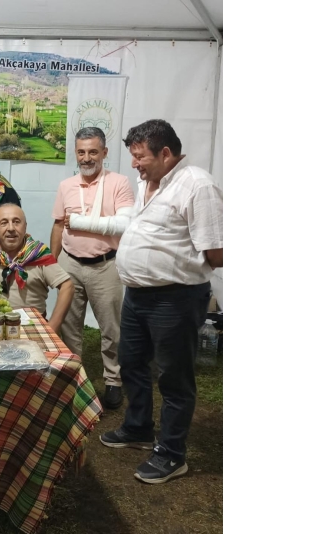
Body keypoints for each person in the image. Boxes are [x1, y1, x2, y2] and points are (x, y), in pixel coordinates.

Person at [99, 119, 222, 485]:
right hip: (138, 295)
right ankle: (138, 428)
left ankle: (172, 453)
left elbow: (216, 251)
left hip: (175, 298)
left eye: (140, 157)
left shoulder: (197, 185)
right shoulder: (148, 181)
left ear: (165, 153)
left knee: (173, 376)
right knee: (131, 362)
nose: (134, 164)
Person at [50, 127, 135, 411]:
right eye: (81, 152)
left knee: (111, 327)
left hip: (105, 265)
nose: (87, 158)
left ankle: (113, 380)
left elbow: (125, 224)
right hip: (70, 263)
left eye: (93, 152)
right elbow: (60, 224)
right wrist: (52, 263)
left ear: (104, 153)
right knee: (69, 326)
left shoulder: (119, 183)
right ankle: (76, 378)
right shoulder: (65, 186)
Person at [0, 203, 73, 333]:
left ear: (25, 227)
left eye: (16, 222)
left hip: (33, 327)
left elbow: (67, 286)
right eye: (4, 223)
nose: (11, 228)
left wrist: (53, 326)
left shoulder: (39, 254)